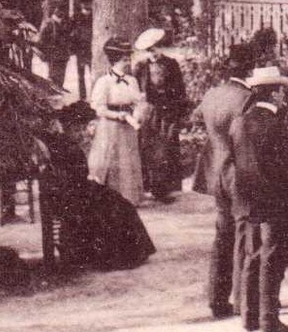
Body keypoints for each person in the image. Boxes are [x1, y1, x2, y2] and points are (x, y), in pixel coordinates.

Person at [229, 66, 288, 332]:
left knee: (252, 256)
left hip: (246, 198)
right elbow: (283, 166)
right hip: (272, 199)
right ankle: (269, 320)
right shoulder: (273, 125)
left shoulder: (240, 121)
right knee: (271, 258)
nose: (284, 97)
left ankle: (249, 316)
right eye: (282, 92)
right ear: (274, 94)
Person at [41, 100, 156, 271]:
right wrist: (89, 184)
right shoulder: (66, 146)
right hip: (72, 194)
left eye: (82, 128)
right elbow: (69, 178)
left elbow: (76, 176)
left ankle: (122, 252)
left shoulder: (64, 143)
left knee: (118, 202)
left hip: (75, 189)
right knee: (115, 206)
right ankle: (113, 256)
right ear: (68, 126)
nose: (81, 133)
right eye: (77, 128)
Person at [193, 53, 254, 319]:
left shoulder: (211, 94)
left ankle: (217, 299)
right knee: (243, 234)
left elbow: (197, 119)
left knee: (222, 235)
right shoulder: (247, 98)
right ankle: (242, 300)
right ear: (249, 70)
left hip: (214, 171)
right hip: (237, 172)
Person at [87, 38, 146, 206]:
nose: (127, 63)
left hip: (128, 126)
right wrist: (117, 115)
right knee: (112, 159)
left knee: (129, 160)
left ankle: (129, 198)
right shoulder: (104, 82)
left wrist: (136, 114)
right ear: (115, 61)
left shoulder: (132, 81)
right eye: (124, 60)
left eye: (128, 59)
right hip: (110, 126)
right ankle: (110, 198)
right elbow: (99, 108)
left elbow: (137, 102)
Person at [134, 27, 188, 201]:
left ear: (160, 47)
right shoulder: (141, 67)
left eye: (155, 49)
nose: (153, 53)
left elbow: (180, 90)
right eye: (149, 50)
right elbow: (136, 90)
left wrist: (179, 113)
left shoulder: (171, 64)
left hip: (168, 111)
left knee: (166, 147)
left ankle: (165, 188)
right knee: (149, 147)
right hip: (150, 112)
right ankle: (149, 184)